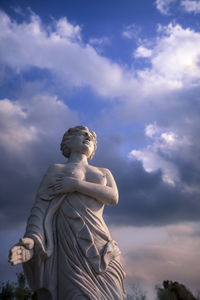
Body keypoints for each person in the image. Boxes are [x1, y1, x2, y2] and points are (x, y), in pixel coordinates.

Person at [9, 126, 126, 300]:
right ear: (67, 142)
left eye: (92, 137)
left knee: (113, 294)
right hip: (70, 245)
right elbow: (41, 206)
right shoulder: (56, 169)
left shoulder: (104, 172)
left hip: (101, 241)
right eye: (82, 134)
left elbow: (113, 197)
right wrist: (32, 239)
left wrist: (76, 185)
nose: (88, 137)